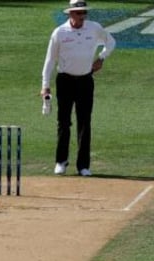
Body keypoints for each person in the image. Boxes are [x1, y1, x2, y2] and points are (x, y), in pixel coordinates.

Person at [41, 0, 116, 177]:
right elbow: (50, 60)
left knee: (84, 122)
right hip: (65, 80)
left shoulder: (94, 28)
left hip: (85, 80)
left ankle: (83, 165)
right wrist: (45, 86)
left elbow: (111, 42)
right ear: (70, 14)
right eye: (78, 13)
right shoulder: (60, 32)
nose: (82, 16)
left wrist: (102, 58)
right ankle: (61, 162)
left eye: (84, 13)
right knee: (64, 122)